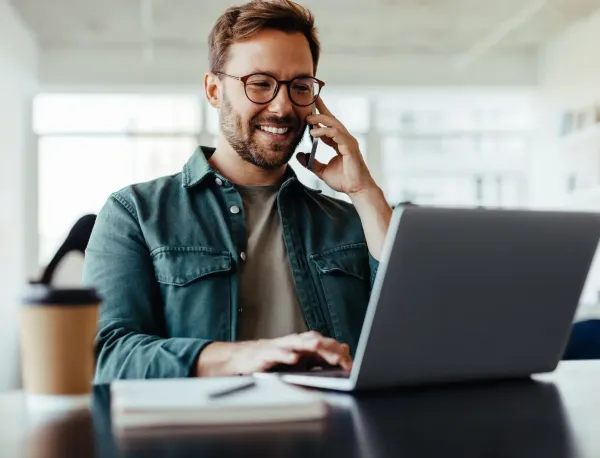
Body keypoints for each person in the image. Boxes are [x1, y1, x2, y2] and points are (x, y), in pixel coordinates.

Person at [83, 0, 392, 383]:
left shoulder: (349, 221)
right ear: (214, 90)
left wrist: (363, 191)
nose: (282, 107)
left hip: (334, 437)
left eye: (300, 87)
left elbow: (414, 333)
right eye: (260, 83)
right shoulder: (135, 213)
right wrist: (246, 355)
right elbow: (105, 356)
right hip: (201, 438)